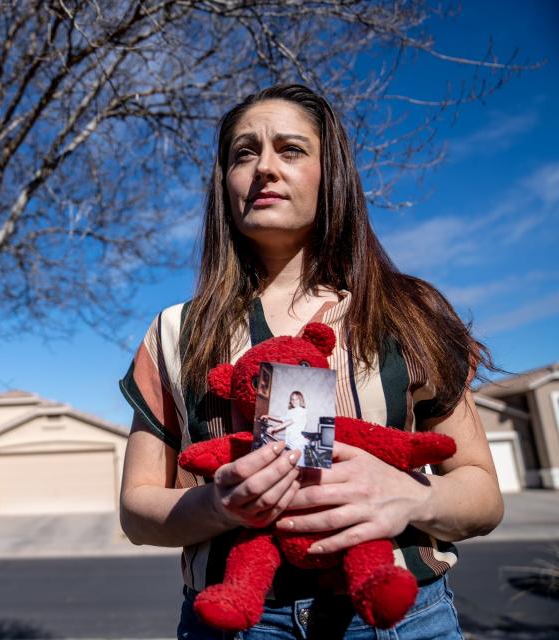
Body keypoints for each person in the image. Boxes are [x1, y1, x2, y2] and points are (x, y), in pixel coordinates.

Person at [118, 84, 503, 640]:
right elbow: (137, 511)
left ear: (332, 174)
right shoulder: (175, 332)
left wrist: (411, 497)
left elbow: (483, 496)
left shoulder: (410, 311)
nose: (264, 169)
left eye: (291, 149)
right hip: (236, 621)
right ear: (224, 183)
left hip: (399, 616)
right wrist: (220, 504)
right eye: (244, 153)